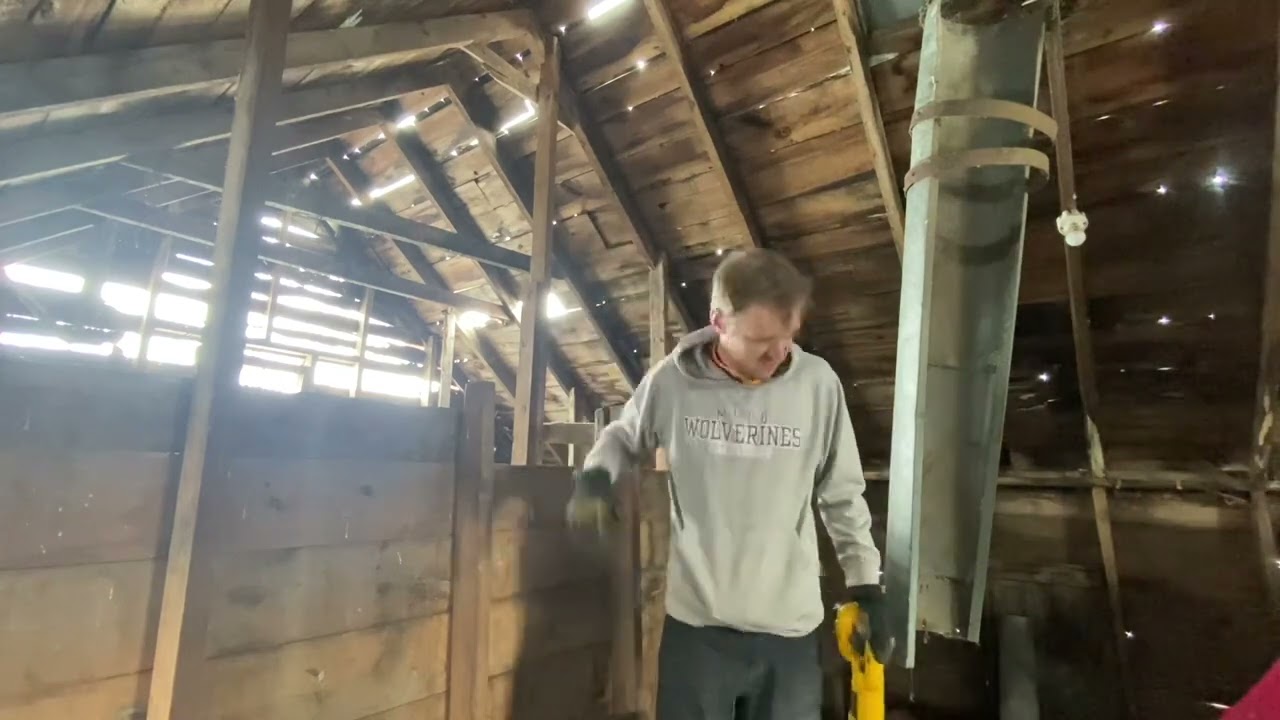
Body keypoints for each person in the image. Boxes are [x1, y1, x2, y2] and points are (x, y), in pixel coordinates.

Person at [567, 248, 890, 720]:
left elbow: (841, 493)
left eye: (789, 337)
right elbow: (622, 434)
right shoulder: (672, 385)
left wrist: (865, 584)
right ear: (719, 322)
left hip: (790, 632)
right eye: (762, 340)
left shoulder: (817, 385)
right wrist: (596, 476)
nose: (779, 354)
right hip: (697, 628)